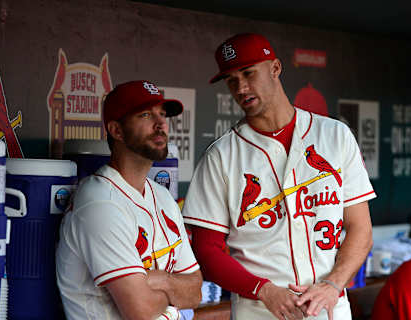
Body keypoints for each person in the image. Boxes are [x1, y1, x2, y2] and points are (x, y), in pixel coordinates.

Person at [182, 33, 376, 320]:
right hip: (259, 310)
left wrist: (333, 284)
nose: (241, 87)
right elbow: (206, 250)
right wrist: (263, 290)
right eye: (232, 80)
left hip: (328, 307)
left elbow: (361, 229)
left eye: (248, 73)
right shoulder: (221, 156)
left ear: (275, 68)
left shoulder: (335, 137)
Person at [56, 80, 202, 320]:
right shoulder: (100, 203)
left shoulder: (162, 196)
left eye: (162, 114)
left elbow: (195, 290)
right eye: (145, 115)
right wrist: (173, 291)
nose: (160, 124)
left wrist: (162, 280)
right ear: (116, 130)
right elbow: (141, 310)